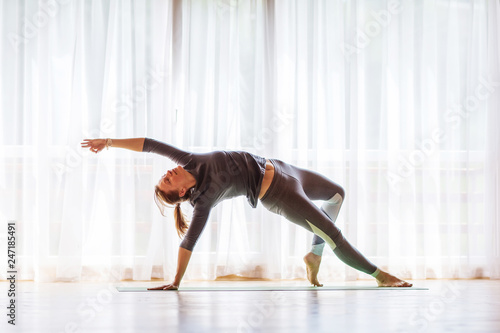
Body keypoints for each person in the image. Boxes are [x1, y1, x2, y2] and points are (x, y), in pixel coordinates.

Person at [81, 137, 412, 289]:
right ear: (181, 192)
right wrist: (175, 281)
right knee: (332, 233)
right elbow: (188, 244)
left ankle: (313, 256)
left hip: (282, 168)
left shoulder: (189, 159)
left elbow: (150, 144)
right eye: (168, 179)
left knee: (337, 194)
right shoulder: (203, 201)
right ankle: (380, 276)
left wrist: (108, 142)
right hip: (279, 193)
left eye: (167, 173)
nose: (170, 171)